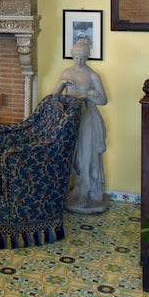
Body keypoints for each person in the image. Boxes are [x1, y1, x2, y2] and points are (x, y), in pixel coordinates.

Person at [50, 36, 110, 214]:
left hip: (87, 118)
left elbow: (103, 100)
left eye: (82, 57)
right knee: (73, 156)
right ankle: (76, 188)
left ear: (87, 56)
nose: (79, 61)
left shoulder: (92, 75)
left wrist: (87, 95)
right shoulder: (67, 73)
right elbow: (53, 96)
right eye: (76, 57)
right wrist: (62, 83)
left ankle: (85, 193)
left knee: (86, 157)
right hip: (70, 118)